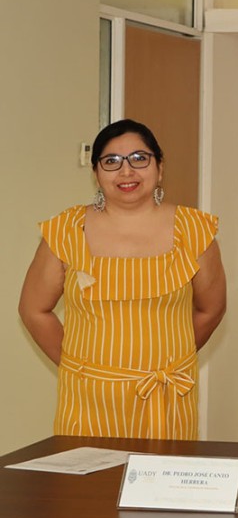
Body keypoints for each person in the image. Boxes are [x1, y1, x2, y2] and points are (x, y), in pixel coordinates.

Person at [18, 119, 226, 440]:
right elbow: (34, 310)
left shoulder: (194, 229)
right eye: (111, 162)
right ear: (96, 173)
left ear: (159, 167)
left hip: (167, 399)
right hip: (86, 402)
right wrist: (84, 368)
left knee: (162, 489)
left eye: (139, 158)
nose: (126, 172)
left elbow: (210, 309)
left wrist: (168, 359)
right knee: (84, 490)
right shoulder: (66, 229)